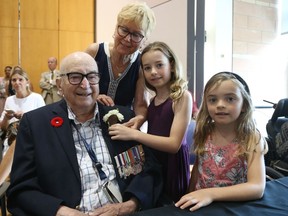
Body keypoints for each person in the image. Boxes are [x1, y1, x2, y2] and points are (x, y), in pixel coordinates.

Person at [7, 51, 162, 216]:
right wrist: (61, 211)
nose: (85, 84)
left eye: (92, 76)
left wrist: (129, 205)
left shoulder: (123, 119)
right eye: (75, 77)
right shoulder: (36, 124)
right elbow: (21, 188)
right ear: (60, 84)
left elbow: (149, 171)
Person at [109, 41, 192, 203]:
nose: (153, 72)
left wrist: (134, 134)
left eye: (159, 65)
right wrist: (140, 119)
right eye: (147, 68)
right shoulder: (153, 101)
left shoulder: (182, 97)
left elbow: (174, 144)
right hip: (156, 164)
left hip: (172, 166)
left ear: (172, 66)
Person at [175, 72, 268, 211]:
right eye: (213, 100)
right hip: (202, 205)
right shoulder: (204, 131)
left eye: (230, 99)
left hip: (234, 206)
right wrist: (190, 193)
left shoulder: (251, 137)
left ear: (244, 104)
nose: (220, 105)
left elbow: (257, 187)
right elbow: (198, 170)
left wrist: (210, 194)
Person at [85, 2, 156, 129]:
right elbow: (74, 88)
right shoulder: (95, 52)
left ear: (143, 40)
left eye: (136, 35)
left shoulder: (141, 64)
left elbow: (140, 105)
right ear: (116, 28)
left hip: (122, 127)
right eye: (124, 30)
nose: (128, 39)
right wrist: (94, 96)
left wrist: (140, 119)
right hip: (87, 122)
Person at [0, 67, 45, 155]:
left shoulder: (37, 98)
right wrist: (6, 117)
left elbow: (43, 123)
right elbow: (3, 127)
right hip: (11, 143)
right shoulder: (9, 100)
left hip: (31, 143)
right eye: (14, 80)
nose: (17, 82)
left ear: (27, 82)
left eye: (20, 79)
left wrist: (25, 117)